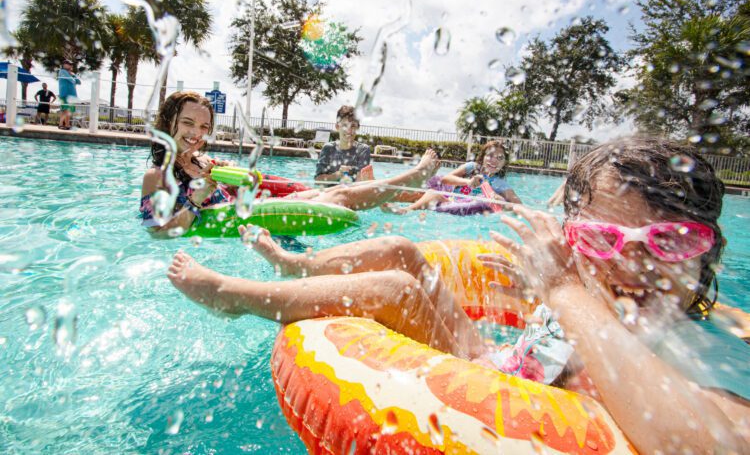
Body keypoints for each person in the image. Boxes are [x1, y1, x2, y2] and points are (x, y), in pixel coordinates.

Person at [167, 136, 748, 452]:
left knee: (394, 290)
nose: (632, 265)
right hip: (494, 365)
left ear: (711, 246)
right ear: (573, 239)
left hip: (502, 391)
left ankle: (232, 293)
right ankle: (293, 262)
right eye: (601, 238)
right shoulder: (599, 290)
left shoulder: (710, 342)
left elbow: (710, 442)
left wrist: (566, 288)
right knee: (399, 249)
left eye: (669, 241)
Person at [142, 92, 440, 236]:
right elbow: (157, 233)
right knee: (340, 196)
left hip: (237, 213)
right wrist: (195, 198)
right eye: (188, 123)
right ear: (170, 122)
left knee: (314, 195)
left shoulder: (202, 160)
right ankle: (413, 176)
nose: (197, 134)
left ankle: (408, 188)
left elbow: (247, 187)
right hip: (217, 224)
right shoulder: (156, 175)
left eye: (204, 128)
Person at [383, 140, 522, 213]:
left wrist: (501, 200)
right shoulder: (472, 167)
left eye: (499, 158)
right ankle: (382, 197)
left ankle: (404, 211)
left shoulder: (500, 183)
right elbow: (446, 179)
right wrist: (468, 182)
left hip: (459, 206)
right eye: (490, 156)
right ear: (483, 157)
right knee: (417, 192)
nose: (494, 161)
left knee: (432, 194)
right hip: (450, 198)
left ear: (504, 163)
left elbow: (518, 205)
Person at [314, 105, 371, 184]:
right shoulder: (328, 148)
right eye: (344, 125)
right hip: (330, 193)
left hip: (352, 193)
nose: (349, 130)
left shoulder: (363, 150)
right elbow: (317, 180)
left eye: (353, 126)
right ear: (337, 126)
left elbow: (360, 182)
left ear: (358, 127)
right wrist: (337, 175)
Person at [57, 60, 81, 130]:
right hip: (65, 93)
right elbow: (72, 81)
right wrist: (72, 75)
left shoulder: (71, 73)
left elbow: (79, 82)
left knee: (69, 110)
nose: (70, 65)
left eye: (71, 64)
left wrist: (74, 75)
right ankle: (61, 124)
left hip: (72, 95)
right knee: (65, 109)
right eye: (68, 64)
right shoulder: (62, 71)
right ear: (63, 64)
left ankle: (67, 125)